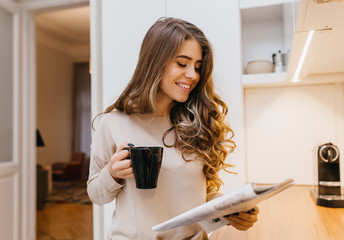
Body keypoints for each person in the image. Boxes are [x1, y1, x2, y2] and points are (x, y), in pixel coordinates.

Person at [87, 17, 259, 240]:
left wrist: (232, 212)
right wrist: (112, 174)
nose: (193, 75)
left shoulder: (197, 122)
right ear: (155, 63)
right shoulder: (113, 123)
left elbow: (199, 196)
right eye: (182, 63)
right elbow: (96, 195)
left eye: (197, 66)